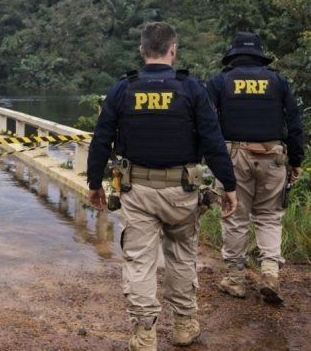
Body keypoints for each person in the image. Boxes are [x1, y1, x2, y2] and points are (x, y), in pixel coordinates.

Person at [87, 22, 238, 350]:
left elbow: (102, 139)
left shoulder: (123, 88)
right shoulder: (192, 88)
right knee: (182, 256)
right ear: (173, 50)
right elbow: (213, 139)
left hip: (136, 190)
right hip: (182, 190)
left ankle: (144, 335)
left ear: (142, 51)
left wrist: (94, 182)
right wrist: (229, 184)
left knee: (140, 260)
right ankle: (184, 326)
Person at [206, 32, 305, 304]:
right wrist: (296, 161)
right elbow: (295, 125)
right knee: (270, 217)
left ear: (232, 56)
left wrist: (211, 158)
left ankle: (235, 279)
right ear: (260, 56)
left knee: (235, 214)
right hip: (273, 155)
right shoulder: (278, 82)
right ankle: (270, 272)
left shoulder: (219, 82)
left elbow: (206, 124)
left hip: (233, 156)